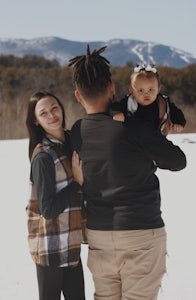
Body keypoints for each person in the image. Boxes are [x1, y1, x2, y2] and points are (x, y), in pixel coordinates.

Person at [68, 45, 187, 300]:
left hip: (99, 234)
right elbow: (178, 161)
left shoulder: (76, 133)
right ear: (113, 89)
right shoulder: (135, 128)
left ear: (78, 95)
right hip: (141, 231)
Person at [26, 91, 85, 300]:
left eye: (54, 108)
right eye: (44, 113)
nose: (52, 115)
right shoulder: (43, 156)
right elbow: (47, 209)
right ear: (36, 120)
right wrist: (76, 184)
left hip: (70, 241)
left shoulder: (71, 141)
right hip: (50, 248)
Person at [110, 63, 186, 136]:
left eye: (150, 90)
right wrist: (117, 113)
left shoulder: (163, 103)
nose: (146, 94)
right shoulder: (129, 102)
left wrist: (179, 123)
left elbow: (177, 113)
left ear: (158, 89)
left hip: (156, 141)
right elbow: (114, 107)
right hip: (133, 142)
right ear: (132, 91)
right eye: (141, 90)